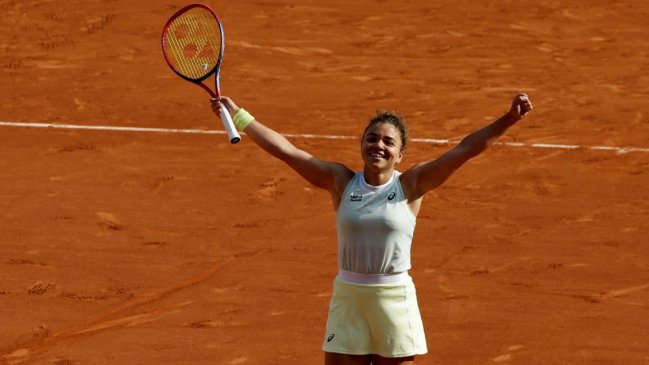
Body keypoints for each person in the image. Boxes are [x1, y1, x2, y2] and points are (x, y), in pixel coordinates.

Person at [211, 93, 533, 365]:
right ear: (361, 144)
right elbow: (287, 151)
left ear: (400, 154)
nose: (379, 145)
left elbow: (464, 149)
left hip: (393, 300)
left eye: (388, 142)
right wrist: (239, 115)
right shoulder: (340, 181)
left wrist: (507, 119)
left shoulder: (412, 184)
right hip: (348, 299)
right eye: (372, 138)